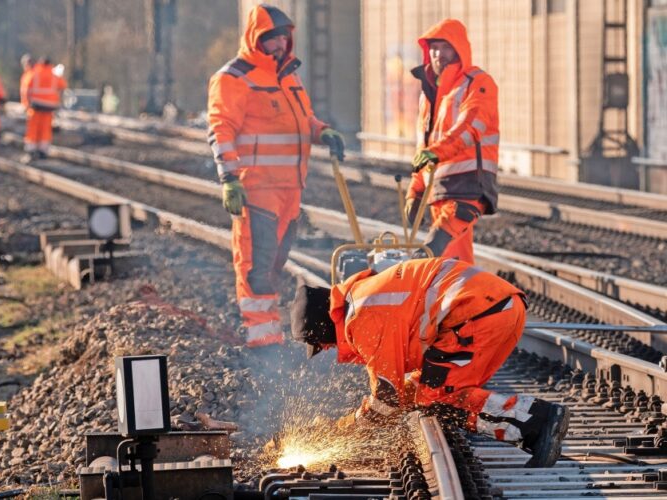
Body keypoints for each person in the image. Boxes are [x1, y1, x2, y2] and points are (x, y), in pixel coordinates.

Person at [290, 257, 571, 468]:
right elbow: (403, 390)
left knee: (439, 398)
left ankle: (538, 421)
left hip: (478, 315)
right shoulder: (363, 297)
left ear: (324, 328)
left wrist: (350, 429)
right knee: (429, 391)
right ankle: (535, 432)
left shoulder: (362, 318)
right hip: (496, 310)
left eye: (322, 344)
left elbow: (387, 397)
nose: (328, 349)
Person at [207, 4, 345, 348]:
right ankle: (262, 340)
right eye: (272, 39)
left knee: (274, 265)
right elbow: (220, 129)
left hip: (289, 190)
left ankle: (271, 333)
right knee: (256, 266)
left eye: (285, 37)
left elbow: (303, 119)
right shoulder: (234, 78)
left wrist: (322, 132)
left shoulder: (288, 77)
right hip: (258, 189)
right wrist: (229, 178)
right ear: (256, 39)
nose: (281, 44)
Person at [405, 19, 499, 265]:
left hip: (468, 185)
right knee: (453, 263)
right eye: (434, 48)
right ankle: (460, 302)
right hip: (440, 190)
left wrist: (436, 152)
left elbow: (470, 126)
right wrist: (414, 191)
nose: (439, 54)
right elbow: (423, 150)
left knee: (433, 252)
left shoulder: (477, 83)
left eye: (446, 47)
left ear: (459, 49)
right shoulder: (429, 96)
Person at [21, 57, 67, 162]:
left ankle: (31, 149)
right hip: (50, 107)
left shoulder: (34, 74)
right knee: (46, 129)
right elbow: (63, 86)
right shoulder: (54, 75)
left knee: (33, 128)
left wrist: (26, 104)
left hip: (36, 106)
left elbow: (26, 89)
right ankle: (43, 150)